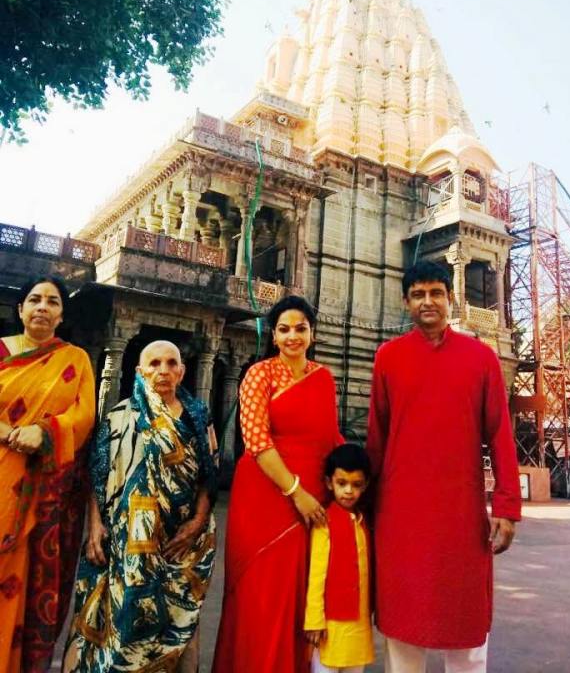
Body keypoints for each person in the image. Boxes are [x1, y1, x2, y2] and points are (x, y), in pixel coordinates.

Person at [366, 260, 521, 673]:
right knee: (402, 624)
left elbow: (500, 435)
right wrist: (365, 506)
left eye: (436, 292)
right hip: (400, 514)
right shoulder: (388, 358)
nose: (427, 302)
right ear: (406, 301)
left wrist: (506, 507)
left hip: (461, 514)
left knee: (466, 622)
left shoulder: (481, 358)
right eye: (418, 294)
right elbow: (377, 438)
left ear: (451, 298)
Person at [62, 340, 218, 673]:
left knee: (181, 620)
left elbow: (210, 475)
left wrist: (198, 521)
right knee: (127, 616)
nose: (163, 370)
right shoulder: (120, 416)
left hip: (183, 542)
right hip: (129, 540)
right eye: (154, 363)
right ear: (140, 371)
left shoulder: (198, 417)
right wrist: (95, 526)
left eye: (171, 363)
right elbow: (98, 476)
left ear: (182, 371)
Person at [212, 295, 343, 673]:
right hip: (266, 496)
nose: (292, 336)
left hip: (314, 496)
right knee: (262, 592)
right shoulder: (260, 374)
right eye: (284, 329)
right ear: (273, 336)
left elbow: (331, 437)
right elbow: (256, 441)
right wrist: (296, 492)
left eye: (301, 328)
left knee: (301, 589)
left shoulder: (323, 377)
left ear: (312, 333)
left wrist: (355, 479)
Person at [0, 275, 96, 673]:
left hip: (46, 489)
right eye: (35, 299)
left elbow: (84, 414)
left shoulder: (74, 359)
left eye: (53, 301)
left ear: (61, 315)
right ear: (20, 309)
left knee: (29, 580)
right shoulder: (1, 351)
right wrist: (8, 432)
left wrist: (44, 432)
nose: (42, 307)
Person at [304, 443, 375, 673]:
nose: (348, 491)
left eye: (356, 484)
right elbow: (316, 576)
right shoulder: (324, 523)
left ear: (365, 485)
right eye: (341, 483)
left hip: (359, 627)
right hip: (329, 627)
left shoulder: (363, 522)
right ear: (329, 482)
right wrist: (314, 620)